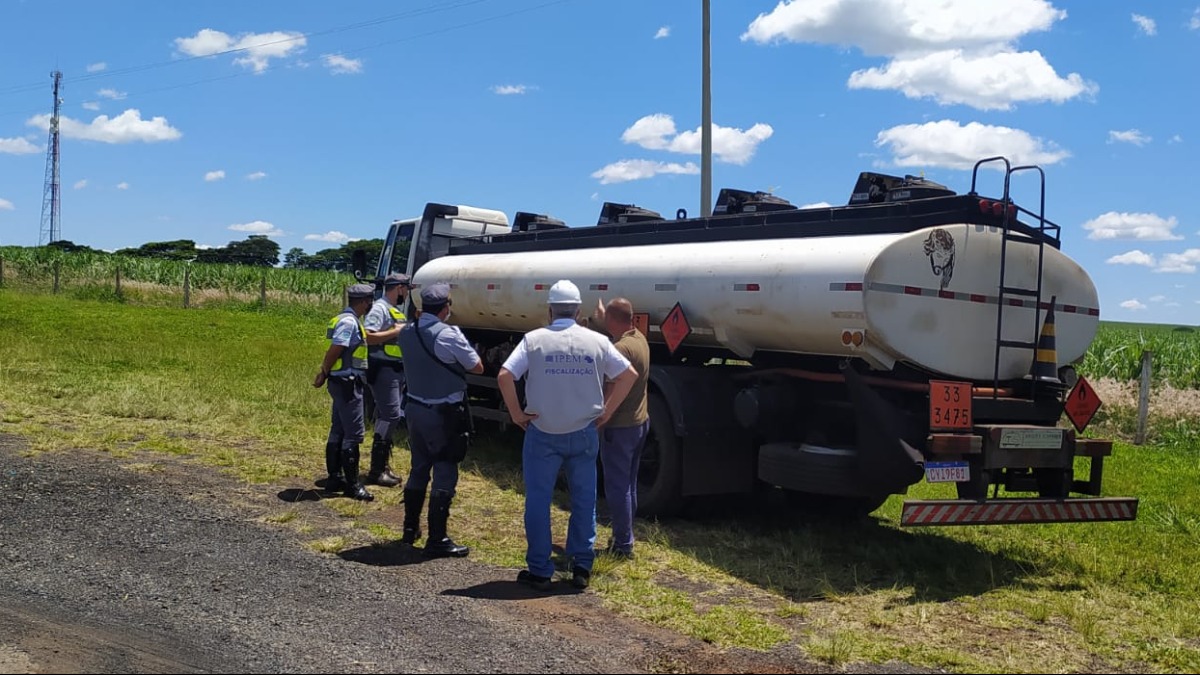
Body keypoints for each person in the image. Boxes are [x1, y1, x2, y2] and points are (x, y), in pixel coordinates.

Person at [497, 280, 639, 591]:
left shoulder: (533, 340)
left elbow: (505, 375)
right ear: (578, 311)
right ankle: (581, 566)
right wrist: (608, 411)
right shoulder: (596, 341)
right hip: (584, 430)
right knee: (584, 499)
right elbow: (628, 375)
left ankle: (540, 569)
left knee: (538, 500)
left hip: (543, 431)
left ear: (549, 310)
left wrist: (517, 414)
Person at [396, 283, 483, 558]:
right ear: (446, 308)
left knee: (418, 467)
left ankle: (410, 530)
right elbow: (476, 366)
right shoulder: (449, 335)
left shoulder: (407, 331)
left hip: (415, 407)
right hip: (443, 412)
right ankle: (437, 537)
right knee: (445, 469)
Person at [590, 298, 650, 559]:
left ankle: (622, 544)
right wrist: (604, 322)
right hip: (639, 422)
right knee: (629, 484)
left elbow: (611, 385)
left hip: (620, 427)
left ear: (611, 319)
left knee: (617, 487)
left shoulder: (620, 350)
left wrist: (602, 416)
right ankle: (626, 536)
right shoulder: (639, 339)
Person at [313, 283, 377, 502]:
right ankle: (352, 484)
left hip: (341, 381)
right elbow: (336, 349)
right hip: (347, 383)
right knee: (353, 433)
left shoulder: (344, 319)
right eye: (369, 301)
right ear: (363, 302)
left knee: (338, 429)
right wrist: (323, 371)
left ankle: (335, 478)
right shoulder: (349, 322)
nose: (371, 305)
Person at [363, 273, 411, 488]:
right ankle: (377, 469)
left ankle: (382, 467)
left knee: (389, 414)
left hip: (394, 369)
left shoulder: (394, 310)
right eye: (406, 288)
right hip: (382, 369)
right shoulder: (380, 308)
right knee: (390, 415)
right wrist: (395, 331)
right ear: (399, 287)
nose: (407, 293)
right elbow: (368, 336)